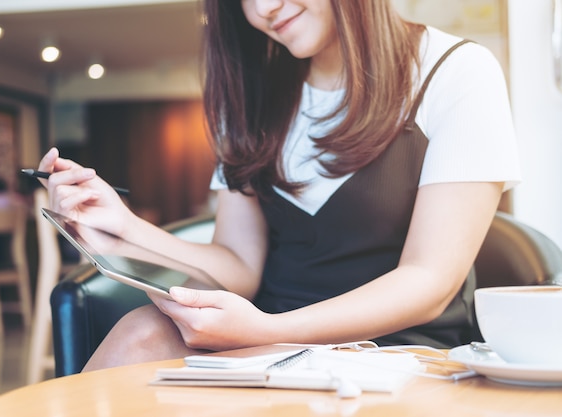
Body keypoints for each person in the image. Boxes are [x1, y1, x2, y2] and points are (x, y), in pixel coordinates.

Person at [38, 0, 521, 371]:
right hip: (264, 337)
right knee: (142, 331)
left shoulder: (457, 72)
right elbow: (239, 264)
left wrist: (267, 330)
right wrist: (123, 226)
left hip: (399, 349)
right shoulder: (252, 97)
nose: (263, 8)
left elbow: (429, 281)